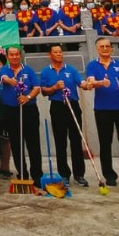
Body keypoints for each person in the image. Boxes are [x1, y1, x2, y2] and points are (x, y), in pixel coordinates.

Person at [84, 38, 119, 185]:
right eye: (102, 46)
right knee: (105, 143)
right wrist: (102, 83)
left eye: (107, 46)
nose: (105, 48)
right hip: (103, 109)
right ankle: (109, 175)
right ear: (97, 48)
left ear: (111, 48)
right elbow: (90, 83)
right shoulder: (93, 65)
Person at [39, 45, 87, 185]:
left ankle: (79, 175)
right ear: (50, 55)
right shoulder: (46, 72)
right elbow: (43, 91)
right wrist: (54, 88)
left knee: (76, 141)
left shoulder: (71, 69)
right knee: (61, 142)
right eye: (55, 52)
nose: (59, 54)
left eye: (60, 52)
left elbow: (81, 83)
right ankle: (64, 174)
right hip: (57, 107)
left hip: (73, 105)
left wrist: (87, 84)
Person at [0, 46, 42, 182]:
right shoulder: (4, 69)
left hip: (29, 110)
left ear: (20, 56)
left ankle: (37, 175)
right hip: (11, 111)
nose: (14, 57)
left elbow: (36, 87)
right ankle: (22, 174)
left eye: (17, 54)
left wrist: (27, 97)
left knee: (33, 143)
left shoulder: (28, 70)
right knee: (16, 144)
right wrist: (10, 80)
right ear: (7, 56)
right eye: (11, 55)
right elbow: (4, 78)